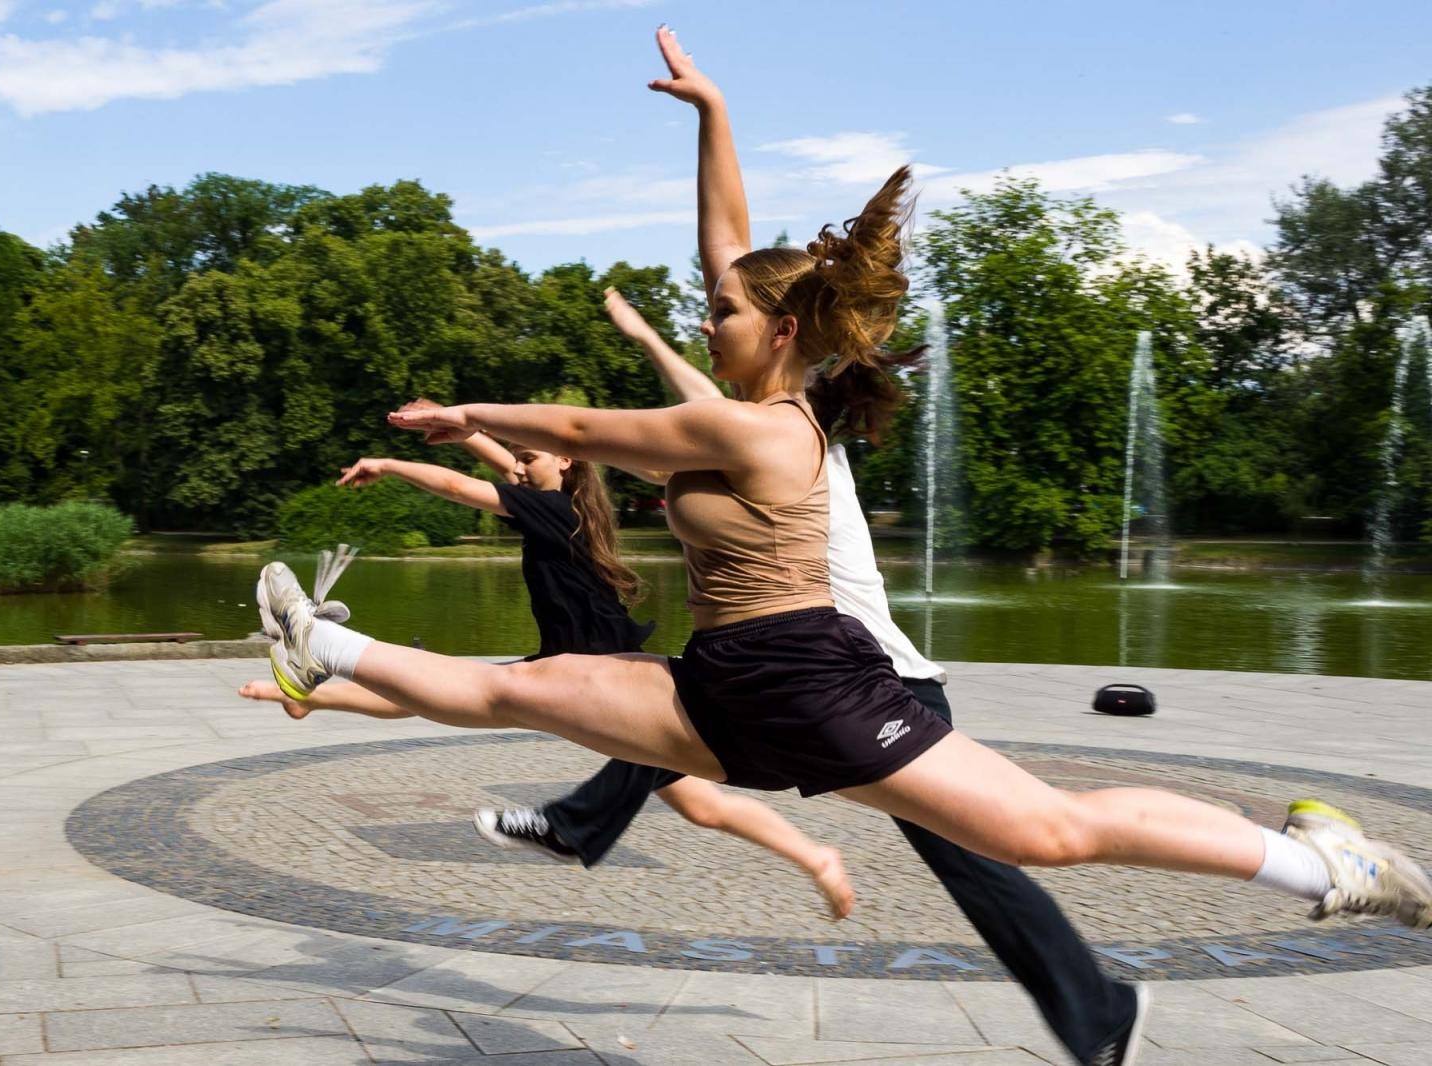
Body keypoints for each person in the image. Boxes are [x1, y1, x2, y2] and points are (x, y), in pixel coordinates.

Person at [251, 22, 1432, 1064]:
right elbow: (726, 249)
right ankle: (324, 650)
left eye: (721, 312)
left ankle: (1322, 864)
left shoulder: (758, 424)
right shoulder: (754, 374)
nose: (705, 313)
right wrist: (714, 116)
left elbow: (575, 423)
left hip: (820, 679)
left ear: (777, 333)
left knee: (1045, 829)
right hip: (732, 681)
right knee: (535, 688)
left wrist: (470, 417)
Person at [473, 285, 1145, 1064]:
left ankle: (1104, 1004)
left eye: (731, 318)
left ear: (790, 343)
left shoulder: (792, 441)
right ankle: (1097, 1009)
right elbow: (697, 396)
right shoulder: (770, 430)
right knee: (681, 714)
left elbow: (687, 402)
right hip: (807, 674)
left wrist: (641, 339)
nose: (719, 350)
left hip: (866, 679)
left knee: (985, 852)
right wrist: (648, 335)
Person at [240, 430, 857, 918]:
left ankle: (570, 828)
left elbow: (462, 488)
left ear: (567, 462)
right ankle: (816, 857)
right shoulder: (555, 502)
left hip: (604, 672)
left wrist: (392, 463)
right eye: (515, 456)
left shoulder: (552, 509)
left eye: (529, 455)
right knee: (700, 805)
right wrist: (468, 430)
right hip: (568, 663)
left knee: (638, 757)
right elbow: (503, 464)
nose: (515, 463)